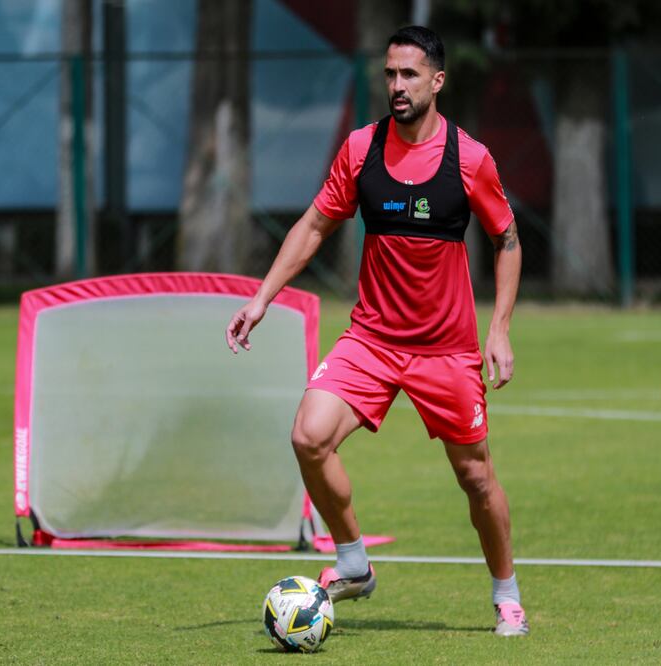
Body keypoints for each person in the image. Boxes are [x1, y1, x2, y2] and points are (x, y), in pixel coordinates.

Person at [225, 25, 527, 637]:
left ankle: (506, 594)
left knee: (476, 478)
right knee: (308, 437)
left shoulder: (469, 158)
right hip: (372, 340)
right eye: (389, 74)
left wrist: (499, 329)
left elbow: (508, 240)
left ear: (437, 82)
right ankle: (353, 561)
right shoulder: (361, 150)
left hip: (446, 351)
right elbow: (313, 227)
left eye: (409, 75)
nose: (396, 85)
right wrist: (261, 298)